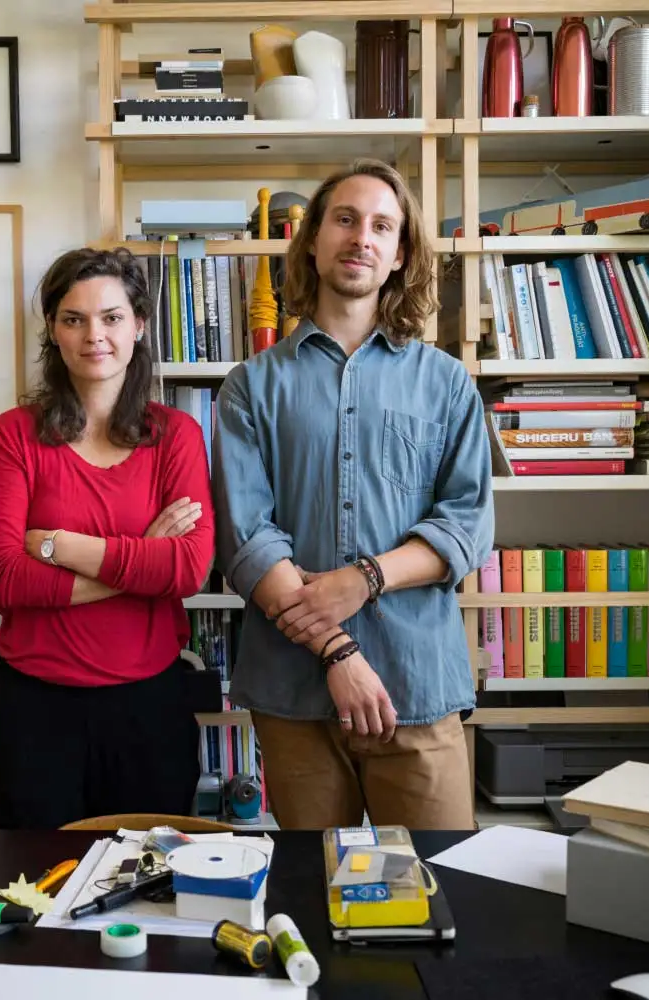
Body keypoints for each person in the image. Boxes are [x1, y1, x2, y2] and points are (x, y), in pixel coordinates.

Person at [211, 158, 494, 831]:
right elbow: (248, 541)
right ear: (313, 240)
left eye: (381, 226)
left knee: (443, 893)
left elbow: (466, 527)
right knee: (313, 900)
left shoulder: (447, 384)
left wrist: (363, 580)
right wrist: (338, 651)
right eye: (344, 218)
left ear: (399, 254)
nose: (361, 236)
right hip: (295, 699)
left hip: (417, 686)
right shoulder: (251, 386)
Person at [0, 245, 215, 830]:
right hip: (34, 711)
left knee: (146, 892)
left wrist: (57, 545)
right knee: (38, 896)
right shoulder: (14, 435)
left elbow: (187, 570)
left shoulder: (176, 435)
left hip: (148, 711)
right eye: (73, 319)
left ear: (139, 325)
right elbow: (0, 577)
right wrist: (139, 564)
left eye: (111, 317)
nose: (94, 335)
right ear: (53, 331)